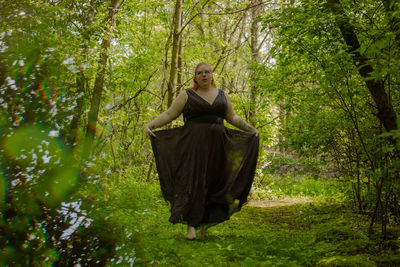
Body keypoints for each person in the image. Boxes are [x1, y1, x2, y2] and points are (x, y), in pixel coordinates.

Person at [145, 62, 259, 240]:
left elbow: (233, 117)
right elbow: (169, 114)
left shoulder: (222, 96)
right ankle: (191, 226)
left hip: (218, 146)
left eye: (207, 72)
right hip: (193, 147)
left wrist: (251, 130)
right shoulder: (187, 95)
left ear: (212, 75)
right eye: (200, 73)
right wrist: (151, 125)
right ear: (195, 77)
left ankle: (205, 223)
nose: (204, 75)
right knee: (195, 182)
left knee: (215, 182)